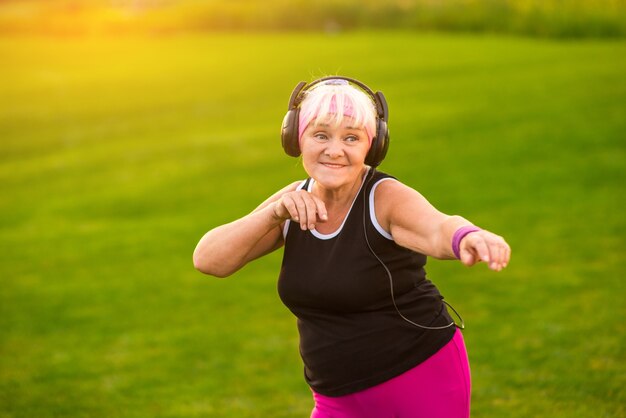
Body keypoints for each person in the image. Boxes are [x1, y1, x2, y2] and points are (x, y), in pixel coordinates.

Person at [193, 76, 511, 418]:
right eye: (320, 135)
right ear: (295, 139)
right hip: (336, 398)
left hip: (419, 376)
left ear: (372, 147)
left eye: (351, 138)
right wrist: (273, 213)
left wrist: (466, 236)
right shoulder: (293, 201)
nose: (334, 150)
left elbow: (436, 227)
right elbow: (209, 260)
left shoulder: (384, 198)